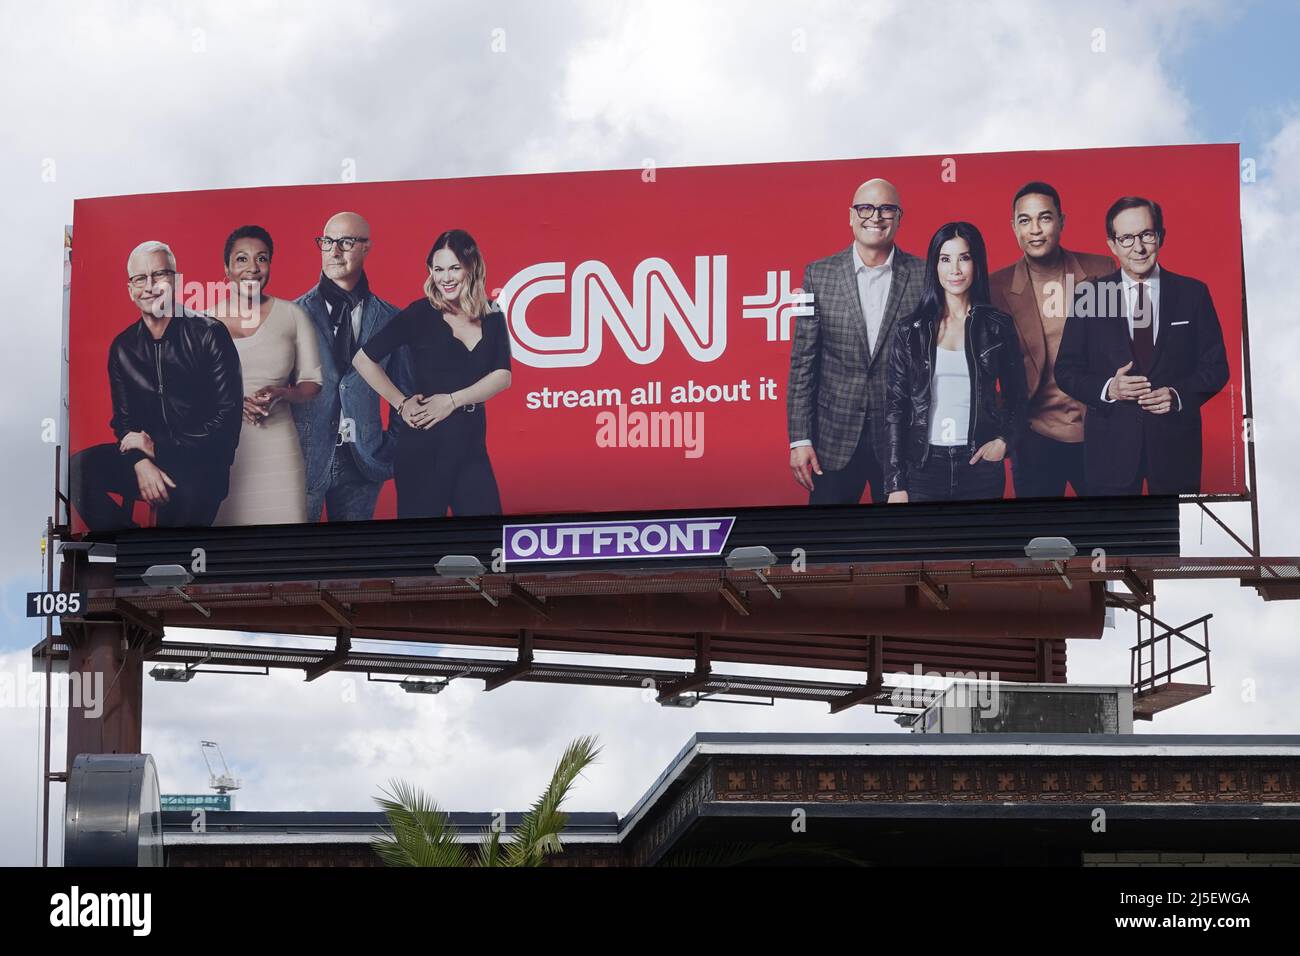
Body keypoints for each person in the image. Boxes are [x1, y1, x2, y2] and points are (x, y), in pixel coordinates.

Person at [1055, 196, 1229, 495]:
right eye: (1126, 238)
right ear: (1112, 245)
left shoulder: (1193, 293)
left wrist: (1177, 395)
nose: (1138, 247)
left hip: (1175, 447)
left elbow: (1216, 368)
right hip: (1110, 450)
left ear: (1160, 236)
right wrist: (1109, 388)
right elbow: (1066, 370)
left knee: (1167, 540)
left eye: (1146, 235)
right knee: (1112, 541)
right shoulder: (1091, 295)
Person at [70, 241, 243, 529]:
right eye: (140, 278)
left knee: (173, 552)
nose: (149, 286)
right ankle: (131, 545)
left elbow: (226, 427)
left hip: (199, 466)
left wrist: (159, 448)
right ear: (130, 289)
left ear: (175, 281)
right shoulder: (123, 347)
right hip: (148, 457)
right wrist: (141, 462)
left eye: (159, 275)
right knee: (77, 469)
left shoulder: (210, 334)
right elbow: (124, 423)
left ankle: (155, 554)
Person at [352, 229, 512, 518]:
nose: (446, 278)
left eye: (454, 268)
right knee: (419, 549)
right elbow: (363, 360)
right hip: (423, 448)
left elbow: (502, 375)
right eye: (438, 269)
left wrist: (451, 400)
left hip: (471, 447)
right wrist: (401, 403)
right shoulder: (420, 314)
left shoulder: (492, 313)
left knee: (488, 540)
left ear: (471, 267)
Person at [787, 178, 924, 504]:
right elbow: (803, 361)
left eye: (886, 209)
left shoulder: (924, 275)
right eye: (866, 208)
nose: (875, 217)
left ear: (899, 218)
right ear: (851, 215)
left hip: (899, 442)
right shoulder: (818, 275)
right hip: (832, 440)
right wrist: (799, 439)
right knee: (826, 549)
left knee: (900, 548)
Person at [884, 222, 1027, 502]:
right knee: (925, 547)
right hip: (923, 467)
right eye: (945, 259)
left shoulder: (998, 326)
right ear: (935, 266)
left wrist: (1003, 442)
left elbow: (1018, 398)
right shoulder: (910, 330)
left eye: (964, 258)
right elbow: (895, 409)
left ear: (977, 263)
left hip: (979, 466)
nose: (955, 270)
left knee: (979, 547)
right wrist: (895, 482)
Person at [989, 182, 1114, 498]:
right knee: (1040, 543)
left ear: (1061, 221)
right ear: (1014, 226)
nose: (1035, 230)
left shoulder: (1102, 271)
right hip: (1034, 437)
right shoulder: (996, 288)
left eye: (1044, 218)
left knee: (1112, 537)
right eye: (1024, 220)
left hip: (1100, 430)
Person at [293, 211, 410, 522]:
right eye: (327, 242)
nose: (334, 251)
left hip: (363, 463)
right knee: (293, 561)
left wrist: (389, 450)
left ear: (366, 247)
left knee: (352, 564)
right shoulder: (291, 316)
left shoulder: (391, 318)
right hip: (305, 463)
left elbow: (407, 392)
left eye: (345, 242)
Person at [211, 226, 322, 526]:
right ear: (227, 269)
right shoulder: (204, 322)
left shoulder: (293, 315)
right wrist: (232, 404)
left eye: (261, 259)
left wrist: (284, 394)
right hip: (223, 450)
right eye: (242, 259)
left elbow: (312, 382)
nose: (252, 268)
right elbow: (189, 392)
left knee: (285, 544)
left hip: (278, 448)